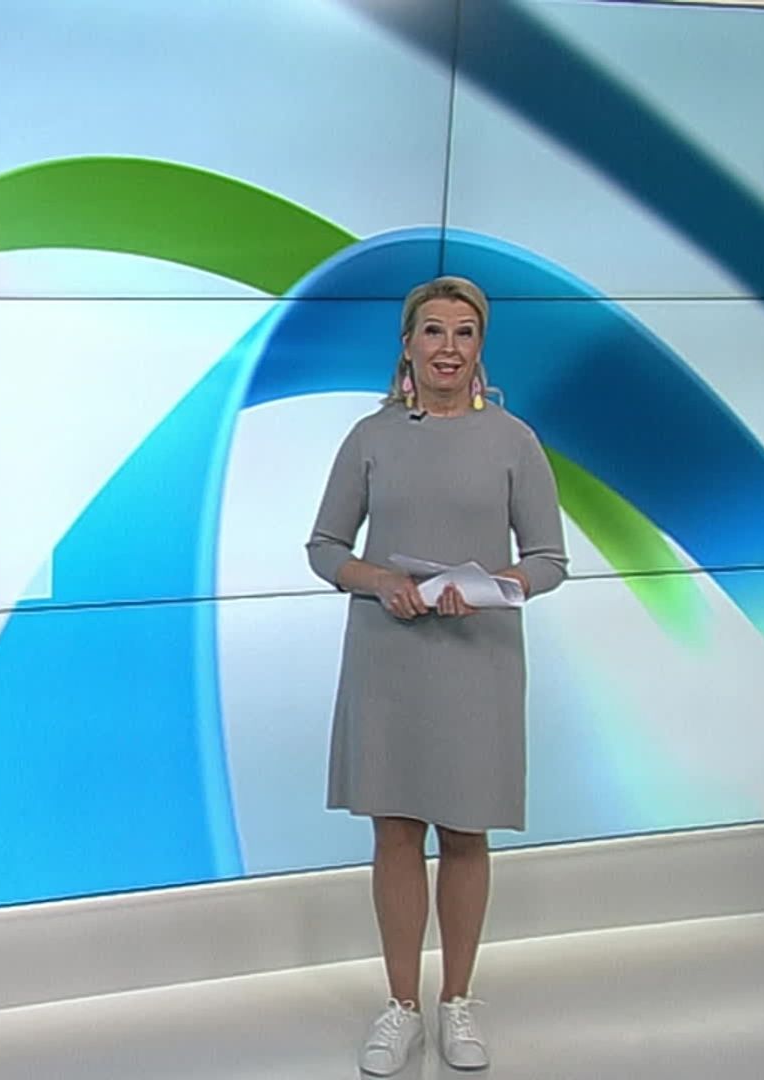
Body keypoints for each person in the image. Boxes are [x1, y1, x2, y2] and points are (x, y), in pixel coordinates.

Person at [305, 276, 568, 1074]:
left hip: (476, 657)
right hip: (390, 658)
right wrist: (381, 580)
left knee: (464, 829)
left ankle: (457, 1000)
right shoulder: (370, 438)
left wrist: (497, 583)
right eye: (433, 332)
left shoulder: (514, 441)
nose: (447, 348)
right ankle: (402, 1007)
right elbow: (325, 548)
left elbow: (549, 559)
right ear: (408, 345)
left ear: (479, 347)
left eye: (463, 333)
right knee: (394, 828)